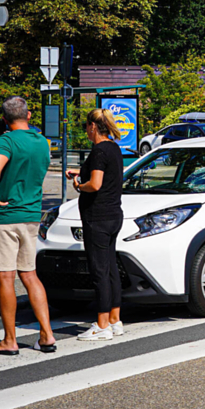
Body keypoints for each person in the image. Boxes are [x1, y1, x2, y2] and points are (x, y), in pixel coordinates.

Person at [0, 96, 56, 354]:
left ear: (4, 120)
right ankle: (47, 335)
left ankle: (10, 341)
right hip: (31, 214)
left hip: (6, 216)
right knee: (29, 274)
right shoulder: (41, 142)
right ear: (29, 115)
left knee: (6, 276)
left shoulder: (6, 140)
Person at [67, 109, 125, 341]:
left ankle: (101, 325)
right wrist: (79, 172)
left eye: (87, 127)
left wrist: (80, 186)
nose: (86, 132)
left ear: (93, 126)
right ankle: (114, 319)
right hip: (114, 214)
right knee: (110, 268)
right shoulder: (113, 148)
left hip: (97, 216)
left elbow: (96, 183)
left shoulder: (99, 150)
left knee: (99, 270)